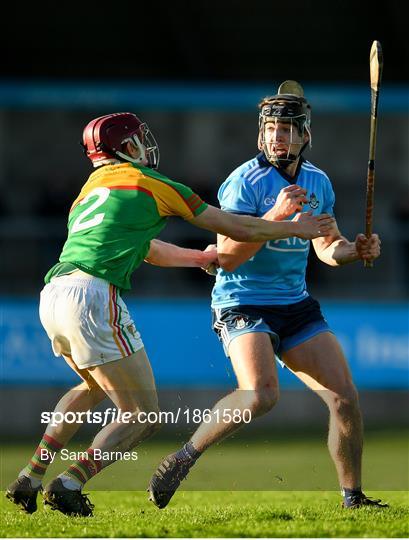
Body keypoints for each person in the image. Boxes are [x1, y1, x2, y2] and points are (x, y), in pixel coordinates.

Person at [6, 112, 333, 517]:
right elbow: (237, 227)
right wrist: (293, 228)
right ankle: (70, 482)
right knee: (143, 415)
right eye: (138, 138)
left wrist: (199, 256)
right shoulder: (153, 184)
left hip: (53, 294)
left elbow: (145, 248)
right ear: (127, 147)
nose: (146, 143)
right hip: (91, 298)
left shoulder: (89, 190)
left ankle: (31, 475)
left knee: (90, 387)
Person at [148, 82, 387, 510]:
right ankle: (184, 458)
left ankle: (353, 497)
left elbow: (326, 248)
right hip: (242, 302)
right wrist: (275, 216)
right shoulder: (244, 183)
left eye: (288, 129)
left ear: (305, 136)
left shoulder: (318, 182)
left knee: (345, 397)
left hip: (295, 304)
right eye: (272, 128)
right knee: (261, 394)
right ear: (261, 135)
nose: (279, 137)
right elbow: (227, 258)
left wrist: (354, 250)